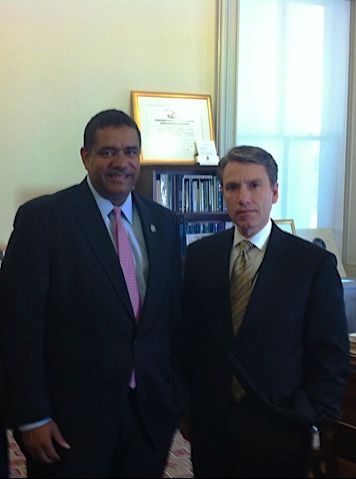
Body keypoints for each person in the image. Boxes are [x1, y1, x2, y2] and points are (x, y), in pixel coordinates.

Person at [0, 109, 186, 477]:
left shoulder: (164, 223)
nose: (121, 163)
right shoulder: (44, 220)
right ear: (86, 157)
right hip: (70, 423)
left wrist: (175, 398)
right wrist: (31, 415)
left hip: (148, 416)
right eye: (108, 152)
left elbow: (171, 320)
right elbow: (18, 326)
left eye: (131, 152)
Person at [181, 145, 349, 478]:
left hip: (281, 427)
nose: (243, 197)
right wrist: (186, 409)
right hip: (211, 426)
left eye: (254, 185)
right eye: (232, 187)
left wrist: (309, 412)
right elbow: (188, 338)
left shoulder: (311, 264)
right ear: (222, 194)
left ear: (274, 192)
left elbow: (330, 350)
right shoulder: (200, 257)